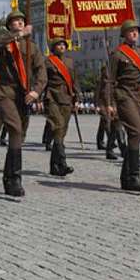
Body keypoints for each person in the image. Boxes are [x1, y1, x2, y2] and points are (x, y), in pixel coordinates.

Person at [0, 10, 46, 197]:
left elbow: (41, 72)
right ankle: (15, 178)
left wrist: (36, 91)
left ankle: (8, 176)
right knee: (14, 129)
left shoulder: (32, 47)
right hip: (6, 92)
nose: (19, 23)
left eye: (22, 21)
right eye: (15, 21)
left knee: (19, 135)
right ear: (9, 25)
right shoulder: (4, 42)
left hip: (24, 95)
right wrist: (18, 35)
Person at [100, 19, 140, 192]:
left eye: (136, 31)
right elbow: (109, 80)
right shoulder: (117, 55)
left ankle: (126, 177)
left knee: (136, 136)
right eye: (130, 31)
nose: (134, 33)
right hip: (125, 96)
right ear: (124, 34)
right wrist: (109, 103)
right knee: (136, 131)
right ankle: (134, 176)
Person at [44, 38, 81, 176]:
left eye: (63, 45)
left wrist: (77, 98)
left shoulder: (70, 61)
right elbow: (42, 80)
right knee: (58, 127)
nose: (61, 47)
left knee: (61, 133)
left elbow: (74, 81)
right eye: (58, 45)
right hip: (52, 97)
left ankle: (54, 167)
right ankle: (62, 163)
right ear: (53, 48)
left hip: (67, 98)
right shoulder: (47, 62)